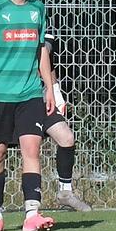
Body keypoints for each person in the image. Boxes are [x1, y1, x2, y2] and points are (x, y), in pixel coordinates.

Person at [0, 0, 56, 231]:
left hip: (30, 92)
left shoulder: (38, 9)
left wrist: (50, 87)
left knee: (32, 149)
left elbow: (42, 51)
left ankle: (32, 213)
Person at [40, 32, 92, 212]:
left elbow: (46, 57)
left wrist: (55, 92)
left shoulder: (37, 15)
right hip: (10, 97)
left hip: (38, 98)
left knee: (66, 138)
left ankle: (65, 193)